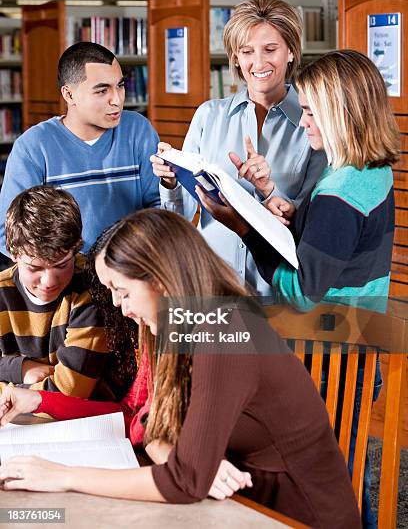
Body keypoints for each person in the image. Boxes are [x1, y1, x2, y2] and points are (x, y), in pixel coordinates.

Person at [0, 209, 360, 529]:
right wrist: (178, 454)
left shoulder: (225, 331)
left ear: (158, 278)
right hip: (226, 507)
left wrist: (63, 476)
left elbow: (184, 482)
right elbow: (145, 422)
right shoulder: (176, 323)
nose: (118, 306)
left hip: (289, 515)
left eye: (122, 291)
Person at [197, 49, 400, 528]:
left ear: (339, 112)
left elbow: (303, 290)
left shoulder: (339, 190)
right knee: (343, 469)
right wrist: (276, 203)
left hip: (330, 351)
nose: (302, 119)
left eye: (310, 110)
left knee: (324, 477)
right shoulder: (368, 170)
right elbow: (333, 246)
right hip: (357, 340)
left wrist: (247, 231)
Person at [151, 0, 326, 296]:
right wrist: (170, 181)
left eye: (270, 50)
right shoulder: (209, 115)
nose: (258, 63)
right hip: (211, 287)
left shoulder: (316, 125)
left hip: (278, 292)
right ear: (234, 57)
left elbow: (312, 221)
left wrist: (269, 191)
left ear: (291, 53)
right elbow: (181, 215)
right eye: (246, 52)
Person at [0, 41, 160, 255]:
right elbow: (8, 235)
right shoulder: (32, 147)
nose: (117, 100)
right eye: (102, 90)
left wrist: (172, 185)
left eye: (120, 86)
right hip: (66, 280)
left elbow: (161, 210)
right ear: (69, 94)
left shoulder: (138, 129)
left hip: (131, 270)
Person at [0, 185, 111, 399]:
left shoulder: (92, 287)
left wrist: (11, 392)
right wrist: (19, 368)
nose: (49, 281)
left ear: (76, 249)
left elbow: (69, 393)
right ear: (12, 252)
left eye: (61, 265)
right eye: (34, 267)